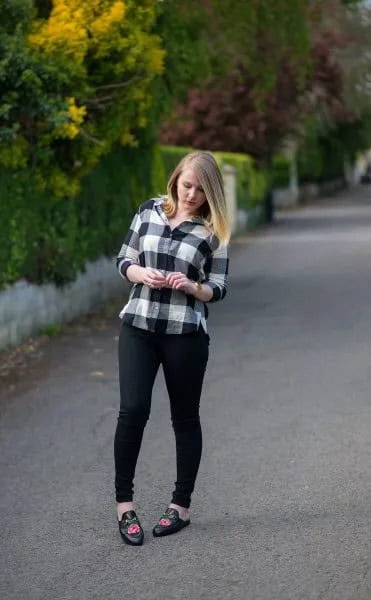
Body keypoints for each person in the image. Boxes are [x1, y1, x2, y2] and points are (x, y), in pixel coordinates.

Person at [114, 150, 230, 545]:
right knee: (133, 410)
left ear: (210, 191)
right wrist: (138, 272)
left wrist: (194, 287)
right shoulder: (149, 210)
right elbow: (124, 258)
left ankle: (180, 506)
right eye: (186, 184)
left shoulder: (214, 231)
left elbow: (219, 287)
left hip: (185, 335)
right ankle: (124, 505)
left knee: (184, 418)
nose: (191, 194)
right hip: (139, 326)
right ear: (175, 178)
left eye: (200, 188)